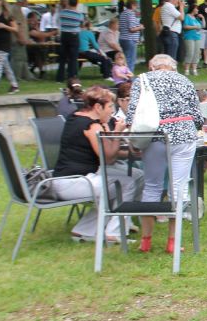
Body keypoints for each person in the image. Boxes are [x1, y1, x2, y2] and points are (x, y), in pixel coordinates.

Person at [125, 54, 202, 254]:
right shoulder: (184, 80)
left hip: (155, 136)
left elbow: (132, 114)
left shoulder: (142, 80)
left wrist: (133, 139)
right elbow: (197, 116)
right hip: (184, 134)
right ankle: (173, 241)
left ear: (152, 66)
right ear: (173, 67)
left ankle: (146, 240)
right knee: (179, 188)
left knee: (152, 186)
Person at [51, 86, 144, 243]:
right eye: (110, 107)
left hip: (72, 179)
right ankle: (114, 232)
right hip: (72, 183)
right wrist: (117, 133)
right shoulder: (91, 126)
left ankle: (85, 229)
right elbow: (108, 158)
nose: (112, 111)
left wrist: (133, 154)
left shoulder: (77, 117)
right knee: (127, 182)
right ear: (98, 107)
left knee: (137, 175)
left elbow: (107, 151)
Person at [56, 0, 85, 82]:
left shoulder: (62, 13)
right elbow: (82, 25)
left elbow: (59, 21)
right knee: (73, 58)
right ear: (77, 3)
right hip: (74, 36)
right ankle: (72, 77)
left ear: (69, 2)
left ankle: (60, 78)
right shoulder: (79, 15)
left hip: (64, 35)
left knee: (63, 57)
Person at [0, 0, 21, 93]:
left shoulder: (7, 14)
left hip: (4, 43)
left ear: (2, 2)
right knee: (5, 65)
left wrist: (4, 26)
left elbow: (16, 29)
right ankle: (14, 85)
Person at [9, 0, 33, 83]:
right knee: (18, 59)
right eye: (26, 0)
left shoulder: (18, 9)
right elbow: (17, 26)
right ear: (22, 1)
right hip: (17, 39)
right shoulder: (15, 10)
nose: (27, 2)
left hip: (20, 39)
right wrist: (21, 38)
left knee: (23, 58)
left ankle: (26, 75)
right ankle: (17, 77)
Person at [118, 0, 143, 71]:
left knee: (125, 59)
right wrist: (140, 27)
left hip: (123, 38)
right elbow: (131, 29)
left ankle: (123, 73)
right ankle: (129, 75)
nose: (136, 7)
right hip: (130, 39)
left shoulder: (123, 13)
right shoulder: (131, 14)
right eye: (136, 5)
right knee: (131, 60)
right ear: (132, 5)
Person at [181, 1, 204, 76]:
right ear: (192, 9)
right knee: (190, 53)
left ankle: (194, 70)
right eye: (196, 8)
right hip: (189, 37)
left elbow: (203, 26)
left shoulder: (196, 18)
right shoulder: (187, 16)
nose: (197, 10)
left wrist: (202, 18)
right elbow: (185, 26)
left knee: (196, 53)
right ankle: (186, 70)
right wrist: (195, 27)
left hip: (197, 37)